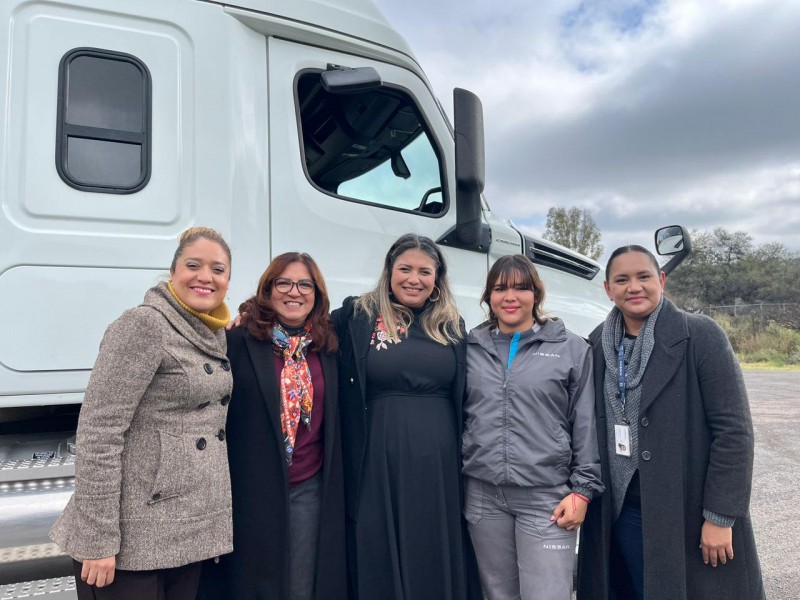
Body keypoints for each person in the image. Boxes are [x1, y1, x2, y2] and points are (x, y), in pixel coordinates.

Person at [50, 227, 234, 600]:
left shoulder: (210, 330)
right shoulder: (143, 325)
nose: (205, 277)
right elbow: (99, 433)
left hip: (185, 530)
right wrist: (98, 539)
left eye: (218, 270)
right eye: (193, 265)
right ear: (173, 271)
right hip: (132, 538)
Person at [576, 245, 765, 600]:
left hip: (687, 511)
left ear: (661, 280)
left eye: (643, 276)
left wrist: (720, 516)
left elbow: (734, 432)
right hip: (622, 511)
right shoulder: (598, 343)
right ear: (608, 289)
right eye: (622, 279)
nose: (634, 287)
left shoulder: (701, 336)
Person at [331, 233, 479, 600]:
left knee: (432, 540)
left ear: (437, 278)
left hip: (438, 463)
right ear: (389, 271)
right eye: (405, 269)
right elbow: (305, 325)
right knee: (377, 539)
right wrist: (252, 315)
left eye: (424, 272)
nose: (414, 279)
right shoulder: (358, 315)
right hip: (376, 457)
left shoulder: (452, 326)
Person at [199, 252, 346, 600]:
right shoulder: (238, 339)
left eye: (305, 285)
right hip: (251, 489)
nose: (294, 292)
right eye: (284, 283)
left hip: (308, 486)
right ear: (268, 289)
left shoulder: (328, 343)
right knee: (254, 583)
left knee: (301, 584)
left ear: (317, 294)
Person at [462, 254, 603, 600]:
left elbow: (585, 423)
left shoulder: (570, 348)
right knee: (498, 595)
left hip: (546, 497)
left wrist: (583, 490)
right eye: (500, 288)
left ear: (536, 294)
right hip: (483, 497)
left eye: (521, 288)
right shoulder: (469, 348)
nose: (510, 297)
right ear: (489, 296)